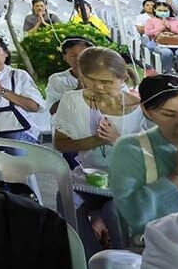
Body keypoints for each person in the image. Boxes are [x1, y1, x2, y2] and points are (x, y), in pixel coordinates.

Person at [52, 47, 144, 255]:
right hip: (90, 179)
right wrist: (94, 140)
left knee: (114, 211)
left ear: (122, 79)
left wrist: (116, 140)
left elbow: (148, 156)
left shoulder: (140, 107)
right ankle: (88, 258)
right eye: (91, 80)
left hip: (128, 183)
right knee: (66, 199)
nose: (99, 87)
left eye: (107, 82)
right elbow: (61, 143)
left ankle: (125, 261)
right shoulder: (73, 100)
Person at [110, 74, 178, 237]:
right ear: (148, 112)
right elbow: (135, 217)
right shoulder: (131, 149)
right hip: (159, 251)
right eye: (168, 114)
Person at [145, 1, 178, 75]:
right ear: (155, 10)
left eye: (165, 11)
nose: (162, 12)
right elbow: (148, 33)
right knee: (166, 53)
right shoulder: (150, 21)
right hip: (160, 44)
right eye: (160, 10)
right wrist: (162, 27)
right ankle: (168, 73)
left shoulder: (176, 21)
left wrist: (171, 27)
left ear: (169, 11)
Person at [46, 37, 91, 114]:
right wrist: (77, 92)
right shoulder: (57, 79)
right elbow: (52, 110)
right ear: (65, 57)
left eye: (83, 54)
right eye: (73, 55)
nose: (78, 59)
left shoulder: (104, 77)